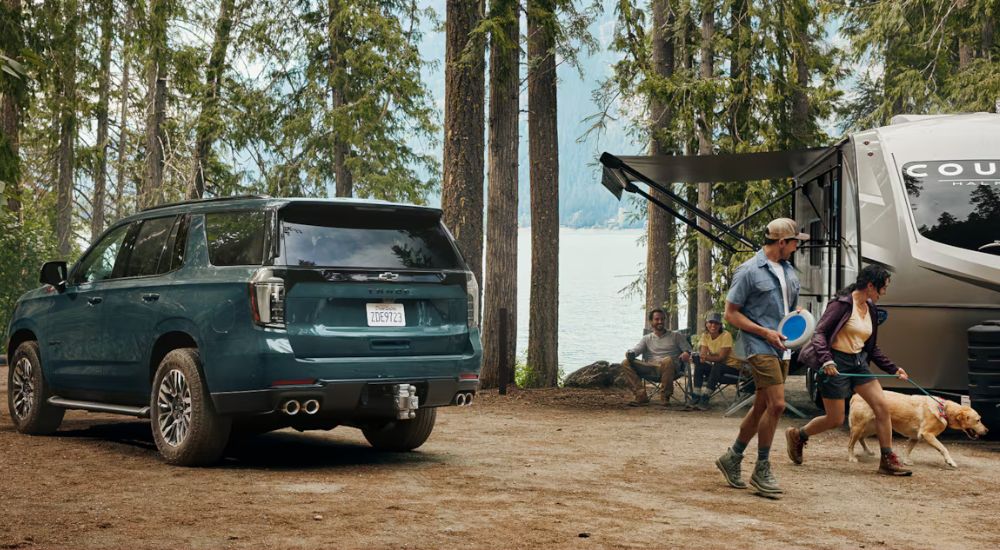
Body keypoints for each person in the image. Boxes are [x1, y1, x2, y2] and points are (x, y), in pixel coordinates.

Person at [786, 265, 912, 476]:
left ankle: (887, 459)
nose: (884, 292)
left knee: (882, 407)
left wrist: (894, 369)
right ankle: (798, 435)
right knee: (835, 420)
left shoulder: (871, 308)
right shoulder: (841, 305)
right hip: (835, 364)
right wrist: (827, 361)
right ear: (870, 285)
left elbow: (872, 347)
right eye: (883, 287)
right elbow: (819, 334)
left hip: (858, 363)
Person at [715, 218, 807, 496]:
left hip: (783, 346)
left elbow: (786, 307)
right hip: (759, 344)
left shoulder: (788, 269)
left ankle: (732, 457)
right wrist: (764, 332)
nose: (797, 247)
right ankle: (762, 468)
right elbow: (731, 314)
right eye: (794, 242)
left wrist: (798, 315)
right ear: (782, 242)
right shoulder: (748, 271)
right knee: (777, 405)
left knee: (761, 406)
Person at [622, 309, 693, 408]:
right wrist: (631, 353)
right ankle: (640, 395)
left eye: (662, 319)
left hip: (670, 368)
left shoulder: (676, 336)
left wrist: (686, 353)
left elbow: (690, 351)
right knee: (626, 362)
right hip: (652, 368)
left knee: (667, 360)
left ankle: (665, 397)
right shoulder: (647, 339)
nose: (660, 321)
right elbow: (636, 350)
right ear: (651, 322)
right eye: (657, 319)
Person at [688, 312, 745, 411]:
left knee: (718, 364)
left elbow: (721, 358)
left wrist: (704, 357)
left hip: (733, 370)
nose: (713, 325)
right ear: (706, 324)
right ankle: (696, 395)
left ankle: (705, 397)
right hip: (717, 371)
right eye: (711, 322)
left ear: (720, 325)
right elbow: (703, 355)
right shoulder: (705, 336)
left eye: (716, 323)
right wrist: (697, 358)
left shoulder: (726, 335)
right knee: (700, 365)